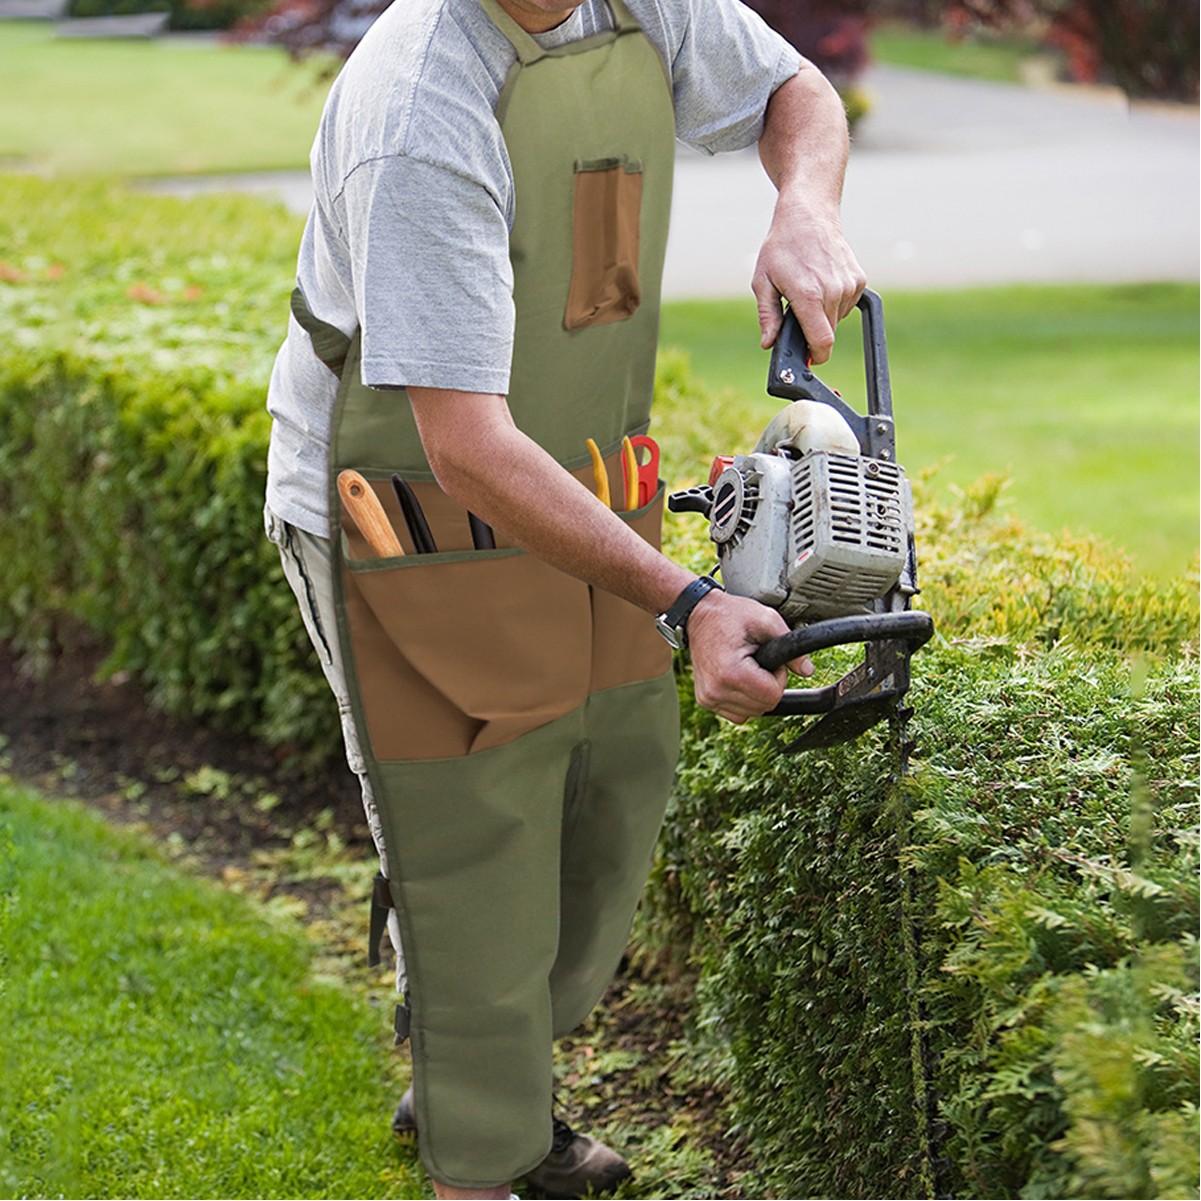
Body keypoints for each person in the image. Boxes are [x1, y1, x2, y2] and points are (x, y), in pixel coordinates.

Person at [263, 0, 865, 1196]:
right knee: (467, 839)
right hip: (403, 510)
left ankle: (476, 1070)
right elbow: (466, 448)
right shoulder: (421, 105)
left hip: (583, 489)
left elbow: (798, 90)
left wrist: (803, 208)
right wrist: (687, 599)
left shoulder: (640, 6)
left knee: (600, 796)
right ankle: (485, 1151)